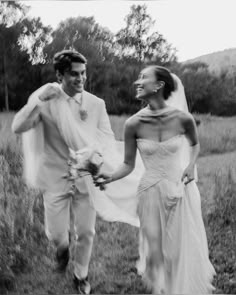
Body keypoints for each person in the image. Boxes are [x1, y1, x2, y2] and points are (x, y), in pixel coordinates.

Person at [97, 65, 216, 294]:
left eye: (143, 78)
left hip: (178, 191)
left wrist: (191, 165)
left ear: (159, 85)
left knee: (178, 249)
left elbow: (195, 144)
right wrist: (109, 177)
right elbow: (128, 165)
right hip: (149, 193)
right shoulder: (133, 123)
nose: (137, 82)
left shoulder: (183, 119)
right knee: (156, 253)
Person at [11, 50, 117, 294]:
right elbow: (18, 126)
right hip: (54, 177)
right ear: (59, 75)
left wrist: (96, 160)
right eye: (74, 74)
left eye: (83, 73)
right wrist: (38, 101)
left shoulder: (96, 104)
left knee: (87, 232)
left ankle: (81, 275)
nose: (81, 79)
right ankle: (61, 249)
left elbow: (106, 140)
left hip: (85, 178)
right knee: (57, 234)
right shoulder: (45, 100)